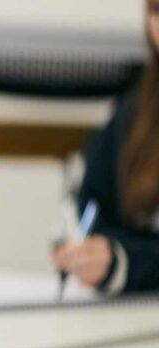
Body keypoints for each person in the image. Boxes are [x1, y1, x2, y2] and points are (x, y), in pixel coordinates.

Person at [52, 0, 159, 293]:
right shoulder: (134, 112)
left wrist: (125, 263)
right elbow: (94, 205)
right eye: (157, 11)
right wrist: (92, 252)